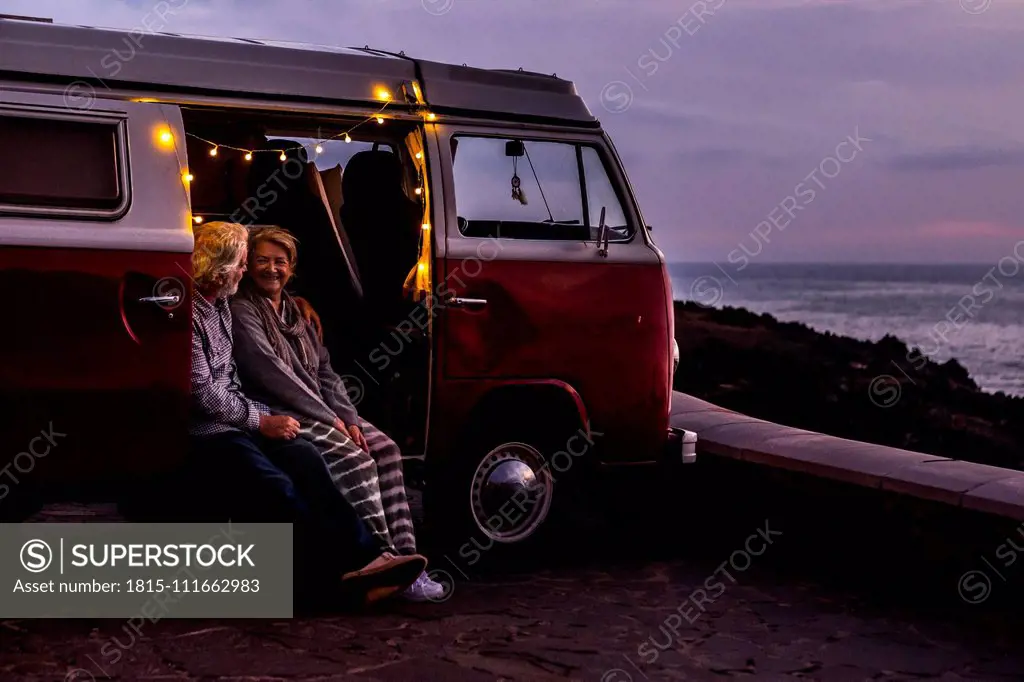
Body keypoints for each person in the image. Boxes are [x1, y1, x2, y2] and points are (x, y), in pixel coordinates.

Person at [188, 220, 427, 605]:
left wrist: (345, 415)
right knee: (287, 483)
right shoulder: (214, 311)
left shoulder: (228, 307)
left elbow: (326, 370)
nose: (258, 268)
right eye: (249, 261)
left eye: (279, 261)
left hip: (250, 416)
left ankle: (385, 559)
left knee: (332, 458)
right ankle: (352, 570)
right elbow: (206, 393)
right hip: (222, 426)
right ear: (225, 267)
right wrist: (264, 420)